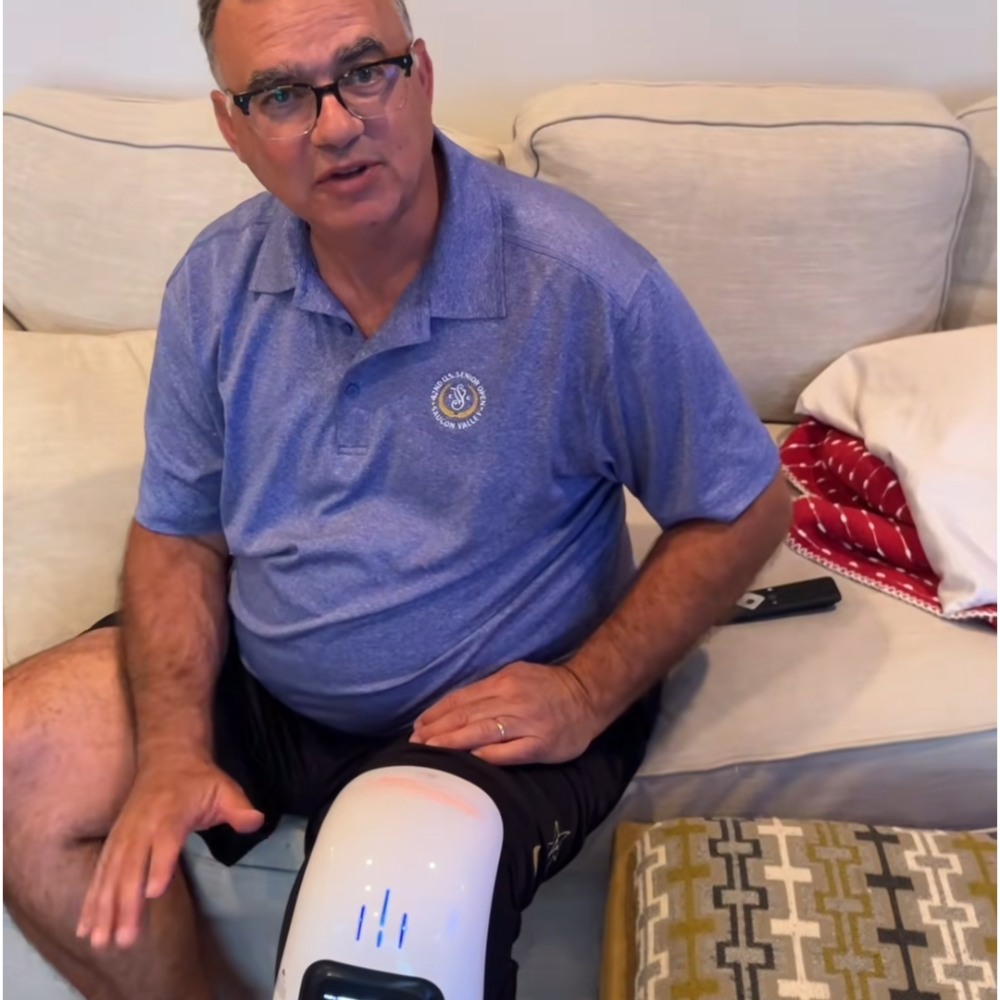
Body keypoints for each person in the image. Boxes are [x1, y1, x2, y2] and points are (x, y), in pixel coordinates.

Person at [2, 0, 791, 996]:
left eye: (364, 69)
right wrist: (171, 746)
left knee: (386, 924)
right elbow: (181, 532)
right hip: (267, 677)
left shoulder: (580, 282)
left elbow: (745, 502)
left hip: (491, 710)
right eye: (281, 95)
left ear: (421, 74)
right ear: (232, 126)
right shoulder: (214, 283)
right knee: (15, 753)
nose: (336, 125)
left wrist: (587, 691)